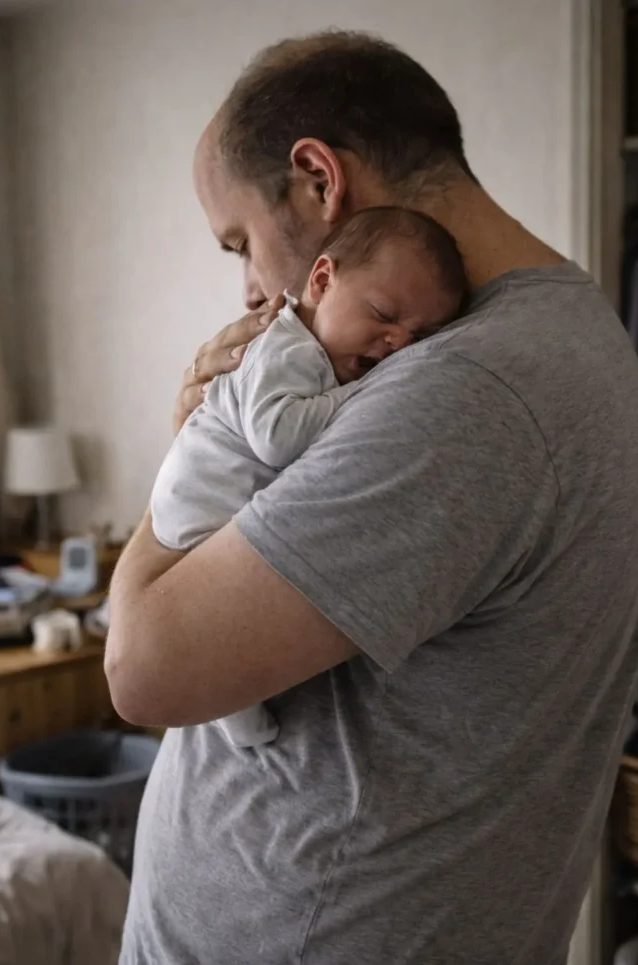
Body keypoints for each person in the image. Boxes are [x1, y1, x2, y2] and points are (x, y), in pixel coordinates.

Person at [105, 30, 638, 965]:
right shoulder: (560, 331)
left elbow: (141, 668)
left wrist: (188, 452)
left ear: (319, 178)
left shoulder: (466, 389)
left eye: (239, 243)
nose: (247, 290)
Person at [150, 206, 467, 748]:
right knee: (226, 631)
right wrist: (358, 395)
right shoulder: (289, 348)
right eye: (383, 313)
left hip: (202, 502)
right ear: (322, 280)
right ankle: (237, 713)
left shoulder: (315, 350)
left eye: (420, 334)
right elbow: (277, 435)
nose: (397, 343)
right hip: (199, 507)